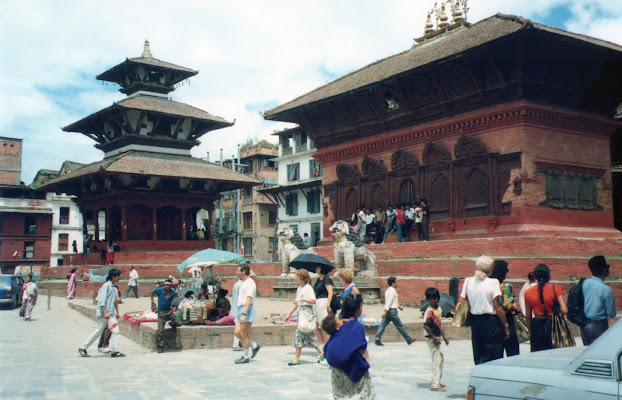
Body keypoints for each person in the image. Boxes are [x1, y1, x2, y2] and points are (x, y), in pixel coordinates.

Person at [323, 294, 376, 399]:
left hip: (337, 372)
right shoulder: (356, 326)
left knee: (342, 396)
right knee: (363, 395)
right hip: (352, 369)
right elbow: (361, 349)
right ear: (357, 310)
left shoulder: (338, 325)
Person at [459, 255, 510, 365]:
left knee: (478, 350)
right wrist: (506, 326)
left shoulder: (468, 281)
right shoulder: (493, 282)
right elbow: (498, 307)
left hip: (475, 321)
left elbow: (461, 300)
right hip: (491, 322)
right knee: (493, 352)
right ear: (489, 268)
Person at [79, 268, 125, 358]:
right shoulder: (106, 286)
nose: (119, 278)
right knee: (99, 331)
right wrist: (105, 312)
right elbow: (102, 301)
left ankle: (115, 351)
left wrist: (115, 312)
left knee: (115, 331)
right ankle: (83, 347)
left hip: (110, 313)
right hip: (105, 314)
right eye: (118, 276)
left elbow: (114, 301)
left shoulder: (113, 287)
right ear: (113, 276)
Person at [283, 269, 325, 365]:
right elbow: (297, 303)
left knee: (301, 333)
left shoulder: (308, 288)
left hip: (306, 313)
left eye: (297, 277)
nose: (296, 279)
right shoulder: (299, 289)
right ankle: (321, 352)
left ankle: (297, 357)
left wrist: (302, 299)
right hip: (301, 312)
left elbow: (314, 301)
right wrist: (289, 314)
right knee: (307, 335)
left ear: (302, 278)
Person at [524, 264, 568, 352]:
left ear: (535, 277)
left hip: (536, 325)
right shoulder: (556, 288)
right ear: (548, 276)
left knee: (537, 354)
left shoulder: (528, 292)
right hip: (553, 325)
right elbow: (564, 310)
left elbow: (528, 316)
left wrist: (530, 330)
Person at [581, 255, 616, 346]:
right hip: (598, 325)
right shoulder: (606, 290)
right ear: (604, 270)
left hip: (584, 323)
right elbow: (611, 313)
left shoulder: (584, 283)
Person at [490, 260, 520, 357]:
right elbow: (509, 306)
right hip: (506, 320)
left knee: (497, 352)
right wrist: (515, 306)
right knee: (512, 351)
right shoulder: (506, 287)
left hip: (492, 321)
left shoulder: (488, 285)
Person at [374, 277, 416, 346]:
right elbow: (390, 301)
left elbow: (391, 301)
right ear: (393, 283)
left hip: (389, 310)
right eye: (396, 282)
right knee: (399, 325)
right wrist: (385, 311)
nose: (397, 283)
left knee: (382, 325)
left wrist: (398, 306)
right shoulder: (393, 291)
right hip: (392, 311)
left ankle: (377, 339)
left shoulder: (387, 290)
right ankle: (408, 339)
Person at [233, 265, 261, 364]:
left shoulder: (250, 283)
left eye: (238, 270)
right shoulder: (243, 283)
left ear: (243, 272)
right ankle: (254, 345)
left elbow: (249, 299)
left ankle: (245, 356)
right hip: (240, 308)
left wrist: (244, 313)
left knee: (244, 334)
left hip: (246, 309)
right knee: (237, 332)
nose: (236, 272)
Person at [423, 287, 449, 392]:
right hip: (431, 337)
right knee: (437, 360)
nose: (433, 300)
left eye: (435, 298)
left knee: (439, 358)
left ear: (438, 298)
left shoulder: (439, 309)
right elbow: (426, 326)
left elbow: (439, 325)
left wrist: (444, 336)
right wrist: (434, 337)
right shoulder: (429, 311)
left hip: (437, 336)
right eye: (431, 299)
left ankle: (435, 380)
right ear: (428, 300)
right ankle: (435, 384)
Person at [151, 279, 183, 353]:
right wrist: (152, 302)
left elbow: (179, 296)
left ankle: (172, 324)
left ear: (170, 286)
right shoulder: (160, 290)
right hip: (161, 313)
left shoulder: (172, 292)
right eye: (165, 285)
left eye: (167, 285)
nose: (166, 286)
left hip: (169, 312)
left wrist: (184, 299)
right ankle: (160, 346)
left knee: (179, 323)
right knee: (160, 331)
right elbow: (152, 292)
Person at [314, 263, 336, 344]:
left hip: (324, 301)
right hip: (318, 302)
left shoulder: (326, 279)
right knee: (315, 327)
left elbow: (330, 292)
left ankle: (327, 347)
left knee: (324, 326)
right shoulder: (318, 279)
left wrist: (328, 305)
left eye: (317, 267)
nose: (316, 269)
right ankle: (324, 344)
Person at [98, 285, 121, 353]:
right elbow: (100, 302)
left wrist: (117, 312)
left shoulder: (114, 289)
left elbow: (116, 302)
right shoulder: (104, 289)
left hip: (110, 312)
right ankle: (105, 346)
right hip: (106, 313)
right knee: (107, 329)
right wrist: (105, 312)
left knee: (106, 329)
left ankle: (101, 345)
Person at [230, 277, 243, 351]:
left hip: (235, 307)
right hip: (239, 308)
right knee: (238, 326)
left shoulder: (236, 284)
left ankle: (239, 342)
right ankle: (235, 344)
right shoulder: (242, 285)